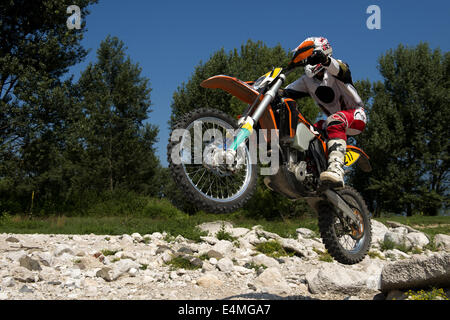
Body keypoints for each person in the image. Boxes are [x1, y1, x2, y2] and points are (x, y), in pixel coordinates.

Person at [281, 37, 367, 187]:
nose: (308, 61)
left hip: (355, 116)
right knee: (306, 130)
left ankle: (336, 168)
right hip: (331, 123)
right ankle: (306, 171)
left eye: (310, 57)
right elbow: (285, 92)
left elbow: (342, 69)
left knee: (334, 120)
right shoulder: (307, 81)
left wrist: (325, 60)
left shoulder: (336, 68)